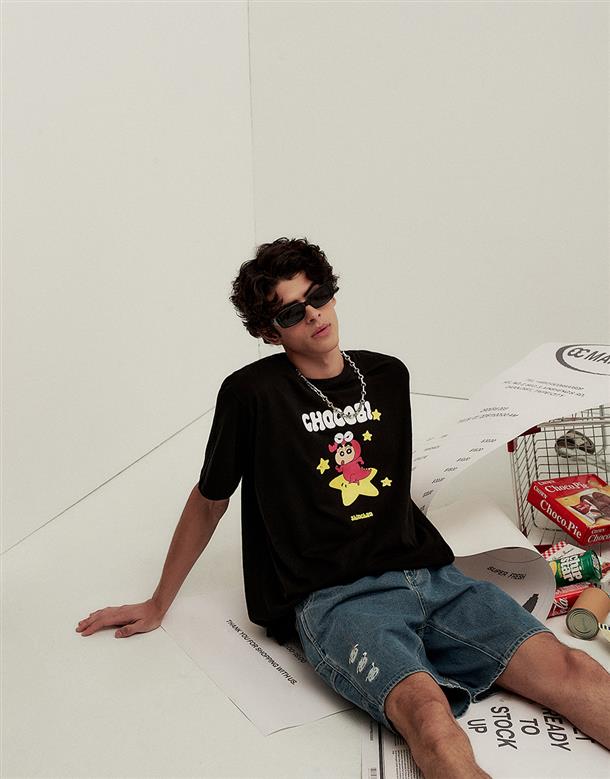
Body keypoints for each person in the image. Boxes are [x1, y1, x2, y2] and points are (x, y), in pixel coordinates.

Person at [77, 237, 610, 778]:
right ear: (269, 332)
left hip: (434, 577)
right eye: (291, 312)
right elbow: (210, 498)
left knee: (574, 668)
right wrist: (158, 602)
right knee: (428, 716)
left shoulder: (388, 376)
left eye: (319, 296)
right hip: (336, 598)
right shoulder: (251, 395)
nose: (313, 314)